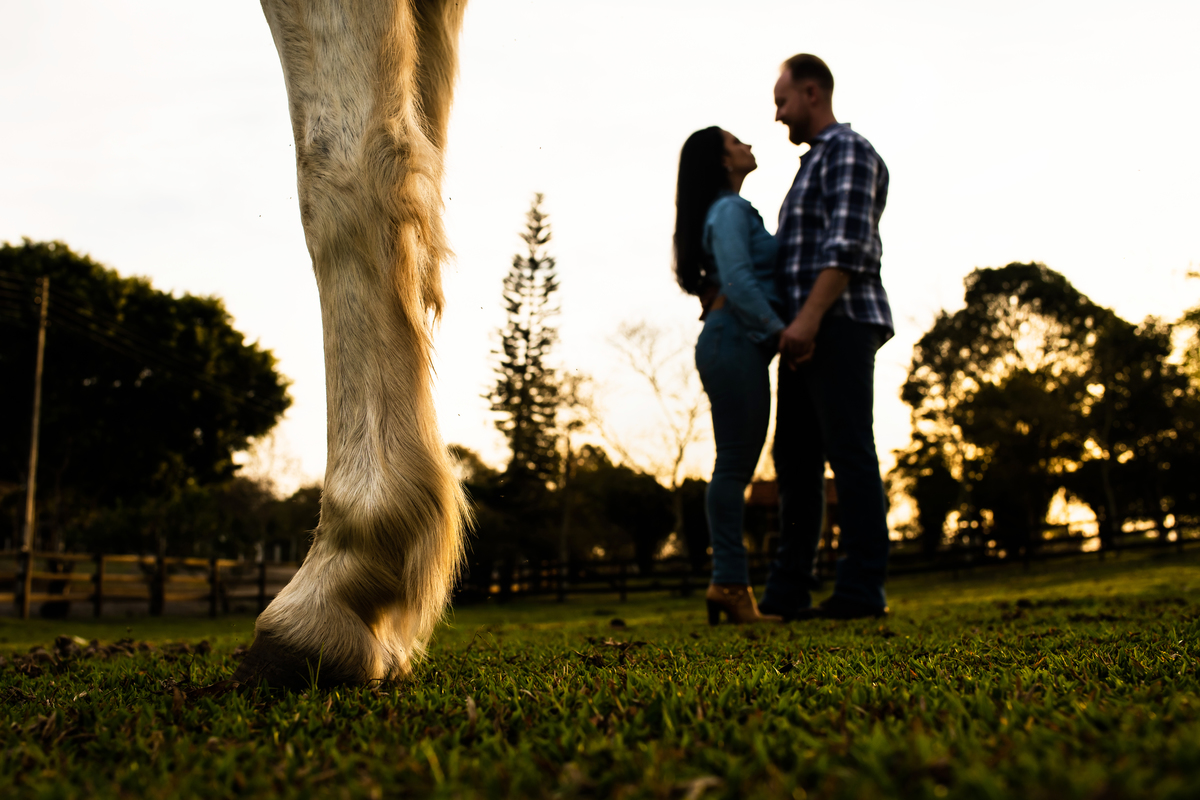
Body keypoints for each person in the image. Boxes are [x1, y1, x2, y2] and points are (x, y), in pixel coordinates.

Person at [758, 54, 894, 621]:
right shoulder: (812, 165)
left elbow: (848, 246)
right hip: (804, 334)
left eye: (782, 102)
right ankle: (789, 592)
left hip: (836, 323)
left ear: (812, 93)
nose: (778, 116)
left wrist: (809, 320)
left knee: (849, 454)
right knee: (794, 460)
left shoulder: (848, 152)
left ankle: (862, 590)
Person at [673, 126, 784, 625]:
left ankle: (729, 583)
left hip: (729, 341)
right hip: (734, 338)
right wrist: (780, 331)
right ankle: (730, 584)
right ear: (721, 161)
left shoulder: (724, 213)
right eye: (737, 142)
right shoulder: (731, 211)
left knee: (732, 465)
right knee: (735, 467)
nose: (749, 146)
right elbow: (739, 280)